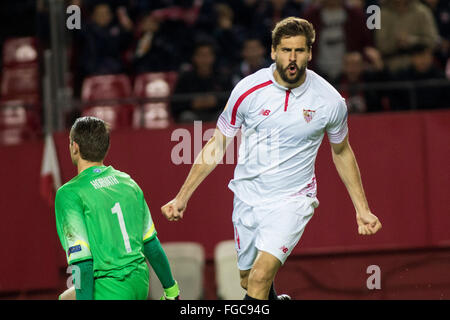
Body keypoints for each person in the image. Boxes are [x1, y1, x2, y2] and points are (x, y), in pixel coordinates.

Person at [161, 17, 382, 300]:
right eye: (286, 50)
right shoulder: (247, 90)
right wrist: (182, 197)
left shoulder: (330, 101)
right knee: (247, 280)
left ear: (310, 53)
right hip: (247, 196)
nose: (292, 58)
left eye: (300, 51)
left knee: (260, 277)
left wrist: (362, 209)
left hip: (293, 199)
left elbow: (342, 151)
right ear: (273, 51)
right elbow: (216, 144)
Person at [56, 116, 180, 300]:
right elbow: (151, 245)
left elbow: (82, 264)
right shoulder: (128, 183)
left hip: (110, 288)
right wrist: (172, 292)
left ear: (75, 146)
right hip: (140, 283)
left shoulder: (69, 193)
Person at [171, 40, 232, 123]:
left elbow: (232, 101)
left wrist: (216, 102)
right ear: (194, 58)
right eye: (201, 55)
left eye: (207, 55)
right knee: (186, 116)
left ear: (213, 57)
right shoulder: (185, 78)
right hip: (193, 116)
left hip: (214, 115)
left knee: (223, 115)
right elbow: (175, 103)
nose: (204, 59)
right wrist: (192, 104)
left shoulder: (222, 76)